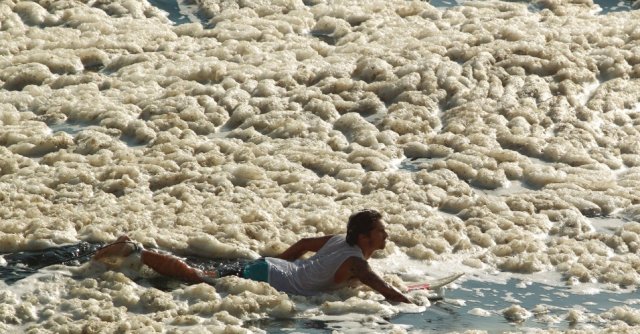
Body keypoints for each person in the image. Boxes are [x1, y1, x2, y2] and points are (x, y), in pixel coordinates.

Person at [93, 209, 412, 303]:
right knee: (195, 277)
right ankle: (138, 251)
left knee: (203, 274)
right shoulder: (357, 262)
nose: (386, 235)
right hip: (269, 277)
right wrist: (415, 303)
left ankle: (139, 250)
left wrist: (283, 262)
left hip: (270, 268)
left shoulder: (340, 240)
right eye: (381, 231)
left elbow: (302, 244)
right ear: (364, 237)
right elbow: (387, 292)